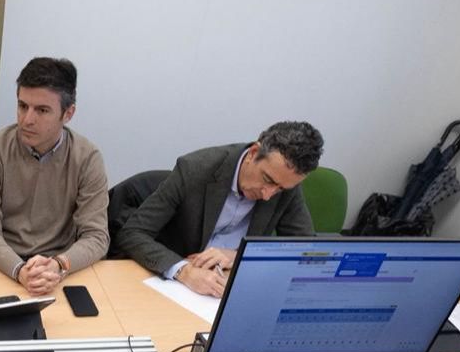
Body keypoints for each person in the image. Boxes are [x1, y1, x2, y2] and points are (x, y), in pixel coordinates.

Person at [118, 121, 322, 297]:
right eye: (267, 180)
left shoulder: (285, 186)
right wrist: (184, 271)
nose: (268, 195)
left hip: (232, 286)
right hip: (177, 287)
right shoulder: (195, 169)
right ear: (253, 153)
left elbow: (306, 251)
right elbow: (133, 233)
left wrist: (239, 256)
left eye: (280, 189)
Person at [0, 57, 109, 296]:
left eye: (42, 110)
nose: (27, 120)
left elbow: (96, 237)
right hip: (3, 262)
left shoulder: (87, 157)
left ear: (68, 114)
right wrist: (19, 270)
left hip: (60, 265)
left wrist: (58, 265)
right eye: (23, 106)